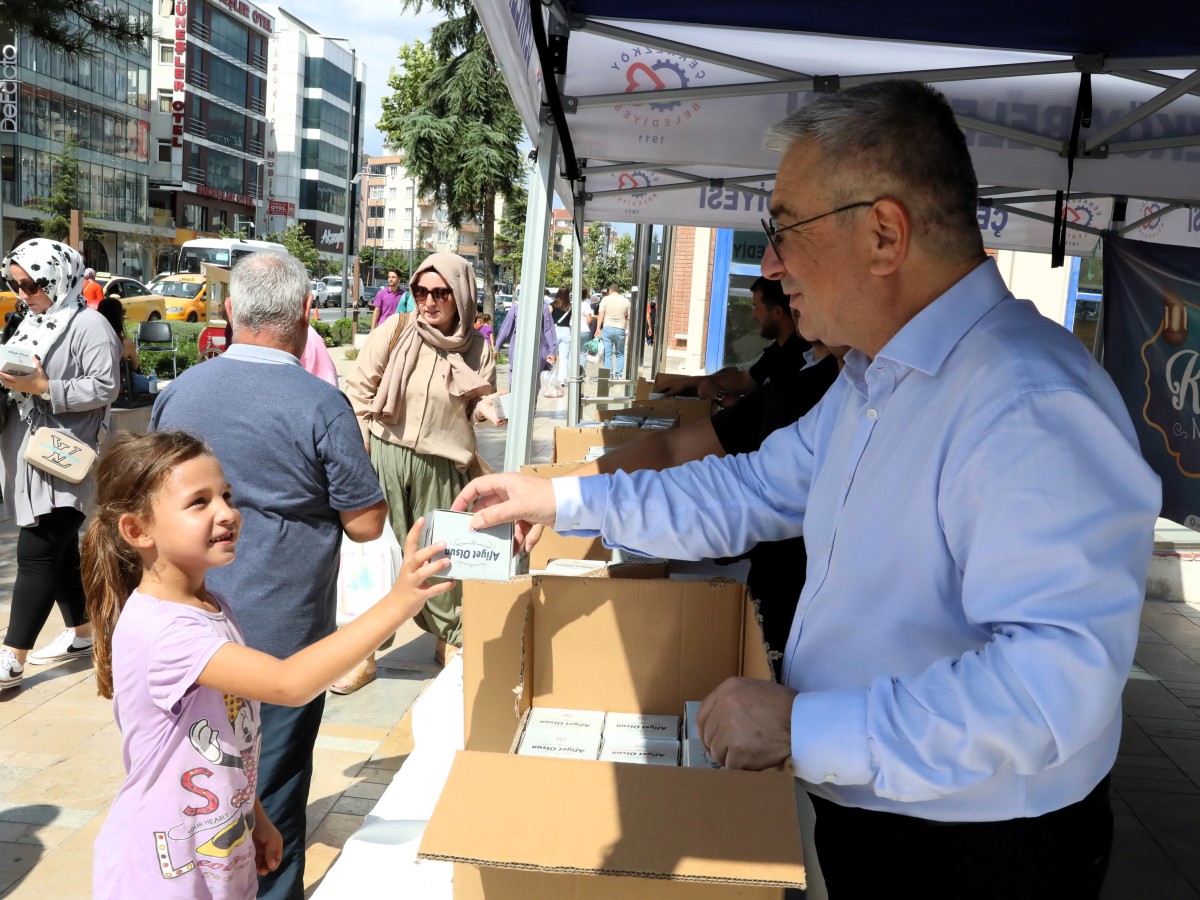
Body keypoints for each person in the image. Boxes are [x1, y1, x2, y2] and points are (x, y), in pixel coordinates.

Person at [451, 80, 1162, 900]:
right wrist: (563, 501)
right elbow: (749, 490)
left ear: (885, 235)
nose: (774, 263)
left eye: (786, 228)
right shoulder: (874, 379)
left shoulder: (1028, 403)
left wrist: (803, 725)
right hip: (881, 818)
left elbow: (1052, 685)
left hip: (975, 853)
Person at [82, 429, 453, 900]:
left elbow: (227, 740)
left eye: (227, 495)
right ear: (138, 531)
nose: (227, 513)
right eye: (199, 502)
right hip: (161, 872)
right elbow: (289, 684)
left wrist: (254, 816)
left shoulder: (210, 606)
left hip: (218, 852)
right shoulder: (164, 632)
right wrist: (400, 603)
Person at [151, 251, 389, 900]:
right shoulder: (323, 405)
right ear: (308, 316)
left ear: (229, 312)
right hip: (285, 636)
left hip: (189, 639)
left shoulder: (179, 394)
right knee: (272, 803)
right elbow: (367, 525)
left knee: (196, 796)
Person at [344, 252, 502, 661]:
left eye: (440, 293)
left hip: (442, 464)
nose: (428, 302)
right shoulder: (396, 331)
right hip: (386, 457)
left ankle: (449, 636)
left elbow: (477, 401)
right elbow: (358, 391)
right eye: (420, 291)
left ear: (461, 296)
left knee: (440, 554)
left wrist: (484, 409)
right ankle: (366, 651)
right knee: (382, 554)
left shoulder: (478, 349)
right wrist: (362, 445)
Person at [0, 241, 120, 690]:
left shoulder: (89, 324)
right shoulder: (33, 320)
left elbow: (106, 387)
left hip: (66, 454)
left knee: (35, 553)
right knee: (62, 551)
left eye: (31, 284)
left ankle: (11, 659)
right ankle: (84, 635)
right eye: (15, 285)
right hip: (29, 450)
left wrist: (46, 386)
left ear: (58, 277)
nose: (23, 294)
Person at [657, 277, 808, 407]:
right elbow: (744, 379)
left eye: (756, 308)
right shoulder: (779, 349)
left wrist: (719, 395)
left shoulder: (801, 356)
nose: (753, 316)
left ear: (777, 312)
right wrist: (688, 382)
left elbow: (766, 419)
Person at [494, 290, 557, 378]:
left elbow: (548, 330)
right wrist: (497, 347)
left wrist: (552, 351)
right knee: (516, 380)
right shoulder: (517, 307)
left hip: (536, 354)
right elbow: (506, 328)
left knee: (532, 382)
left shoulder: (543, 308)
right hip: (518, 353)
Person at [97, 296, 151, 396]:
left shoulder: (92, 339)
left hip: (98, 386)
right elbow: (135, 366)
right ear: (119, 317)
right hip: (123, 386)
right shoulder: (125, 343)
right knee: (152, 384)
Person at [595, 283, 631, 377]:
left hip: (607, 328)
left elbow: (601, 314)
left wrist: (598, 328)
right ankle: (618, 375)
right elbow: (628, 317)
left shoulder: (605, 299)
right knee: (620, 354)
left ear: (610, 291)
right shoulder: (626, 301)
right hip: (620, 328)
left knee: (608, 354)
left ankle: (609, 375)